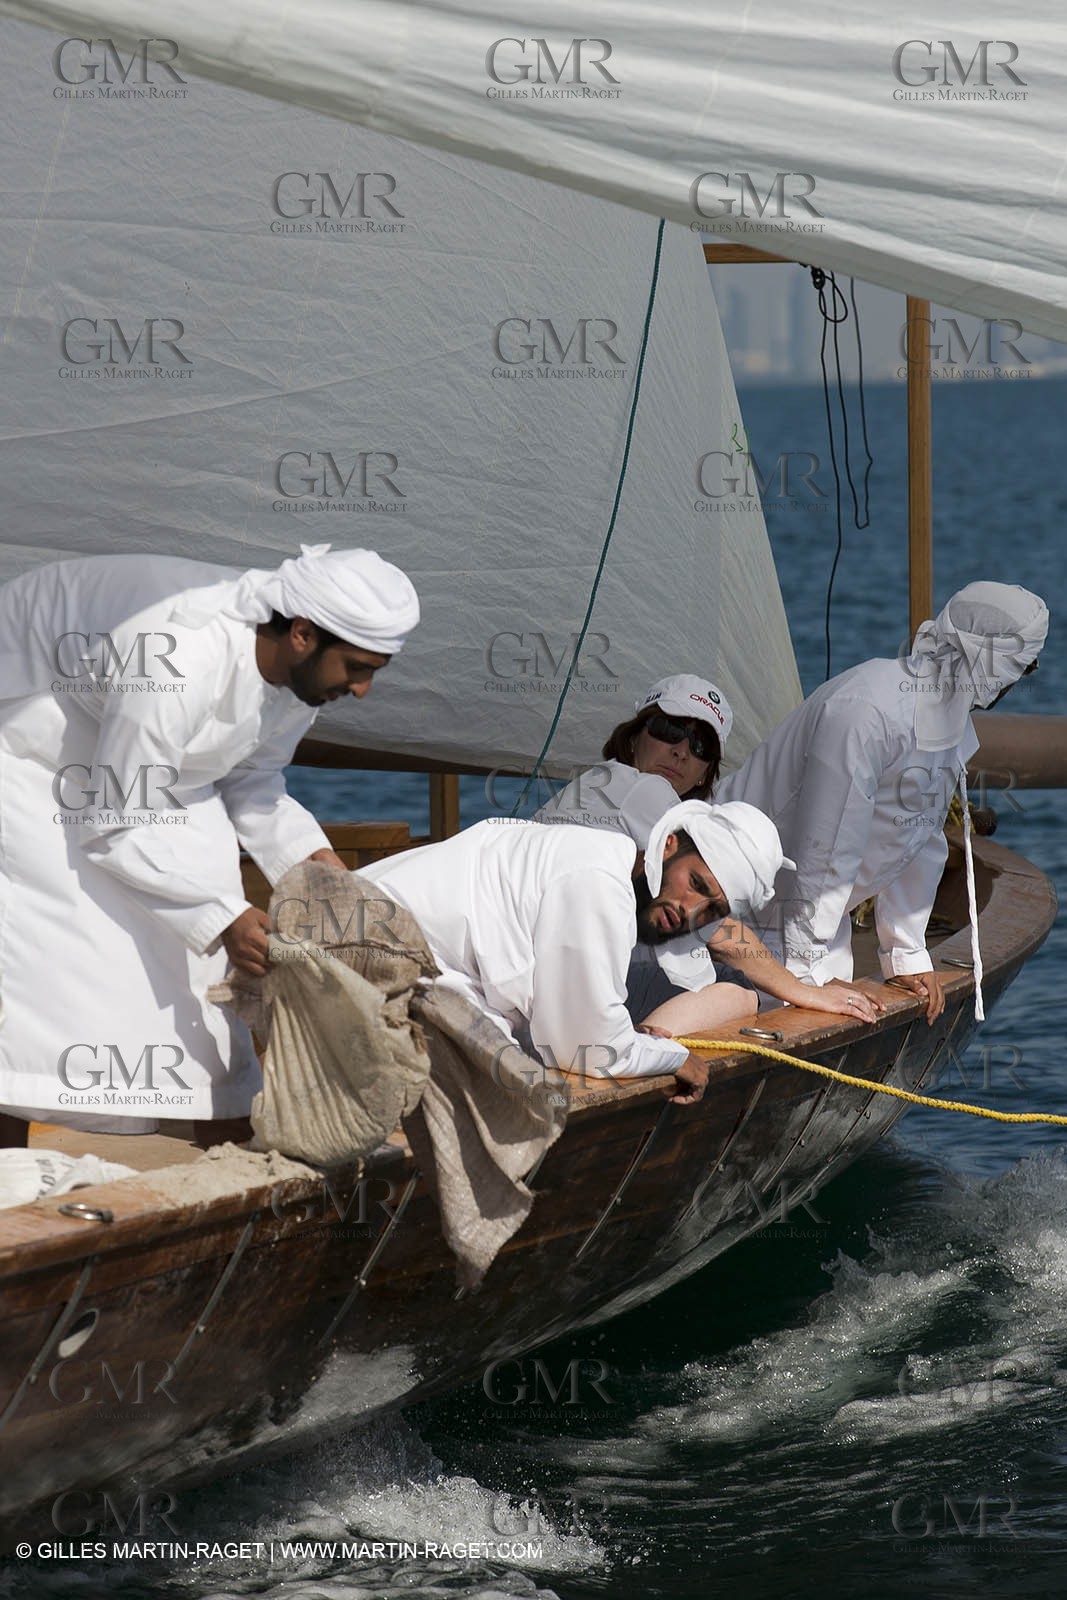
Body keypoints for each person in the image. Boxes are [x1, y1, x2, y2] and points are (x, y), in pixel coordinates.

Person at [0, 543, 420, 1147]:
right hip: (32, 728)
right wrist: (223, 919)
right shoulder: (177, 660)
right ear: (302, 634)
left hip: (147, 751)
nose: (363, 690)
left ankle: (216, 1150)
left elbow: (252, 783)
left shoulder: (301, 681)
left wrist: (317, 865)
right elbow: (116, 822)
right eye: (357, 668)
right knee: (61, 957)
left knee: (200, 972)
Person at [717, 582, 1049, 1025]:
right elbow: (824, 848)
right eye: (1025, 667)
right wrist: (804, 981)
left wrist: (906, 956)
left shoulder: (946, 716)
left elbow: (919, 840)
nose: (1022, 678)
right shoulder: (869, 711)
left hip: (810, 921)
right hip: (730, 906)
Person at [358, 799, 794, 1106]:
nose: (691, 911)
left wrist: (635, 1042)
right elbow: (586, 1045)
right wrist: (679, 1059)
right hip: (373, 960)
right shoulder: (600, 882)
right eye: (696, 884)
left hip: (413, 968)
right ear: (670, 845)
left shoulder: (603, 860)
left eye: (712, 909)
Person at [535, 674, 883, 1029]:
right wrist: (808, 991)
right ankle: (641, 1057)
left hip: (537, 970)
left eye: (700, 746)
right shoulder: (646, 791)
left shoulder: (596, 783)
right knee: (737, 989)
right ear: (635, 734)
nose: (681, 751)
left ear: (705, 774)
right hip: (559, 985)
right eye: (669, 729)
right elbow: (720, 932)